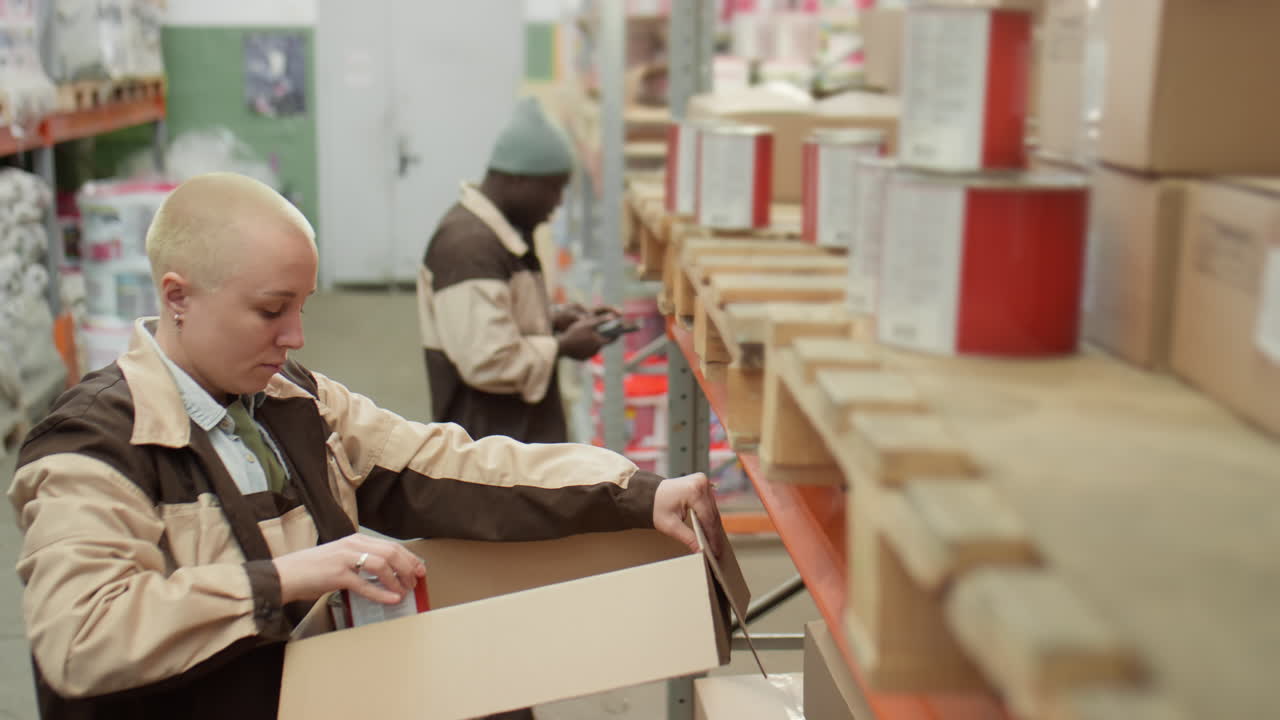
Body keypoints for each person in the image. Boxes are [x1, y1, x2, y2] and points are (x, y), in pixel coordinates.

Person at [8, 172, 724, 720]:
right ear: (177, 297)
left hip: (318, 689)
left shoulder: (292, 402)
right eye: (270, 310)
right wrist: (291, 577)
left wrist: (636, 492)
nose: (295, 337)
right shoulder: (91, 446)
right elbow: (81, 636)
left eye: (302, 307)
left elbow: (445, 465)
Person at [418, 96, 616, 443]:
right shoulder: (469, 248)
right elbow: (487, 360)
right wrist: (563, 347)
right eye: (553, 188)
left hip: (510, 439)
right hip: (489, 449)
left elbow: (490, 317)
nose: (557, 203)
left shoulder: (502, 233)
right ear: (517, 181)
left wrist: (550, 318)